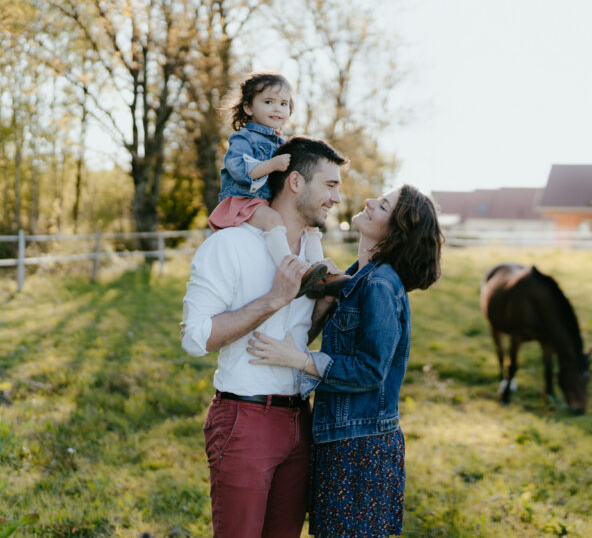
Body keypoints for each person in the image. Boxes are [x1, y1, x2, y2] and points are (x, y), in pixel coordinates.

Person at [247, 185, 444, 537]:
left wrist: (299, 359)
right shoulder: (360, 279)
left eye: (382, 206)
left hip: (361, 449)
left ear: (395, 230)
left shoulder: (380, 285)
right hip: (343, 441)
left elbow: (370, 370)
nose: (368, 202)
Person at [181, 136, 347, 537]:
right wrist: (273, 299)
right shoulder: (230, 245)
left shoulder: (312, 254)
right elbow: (195, 338)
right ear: (294, 183)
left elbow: (295, 336)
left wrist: (322, 308)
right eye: (330, 185)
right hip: (244, 419)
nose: (337, 199)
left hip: (300, 420)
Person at [208, 71, 328, 295]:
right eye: (269, 102)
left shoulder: (281, 142)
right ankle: (291, 272)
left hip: (269, 200)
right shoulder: (243, 138)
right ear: (248, 107)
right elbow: (239, 169)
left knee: (309, 220)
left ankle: (317, 272)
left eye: (283, 104)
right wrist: (272, 165)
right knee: (272, 219)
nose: (277, 109)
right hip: (245, 200)